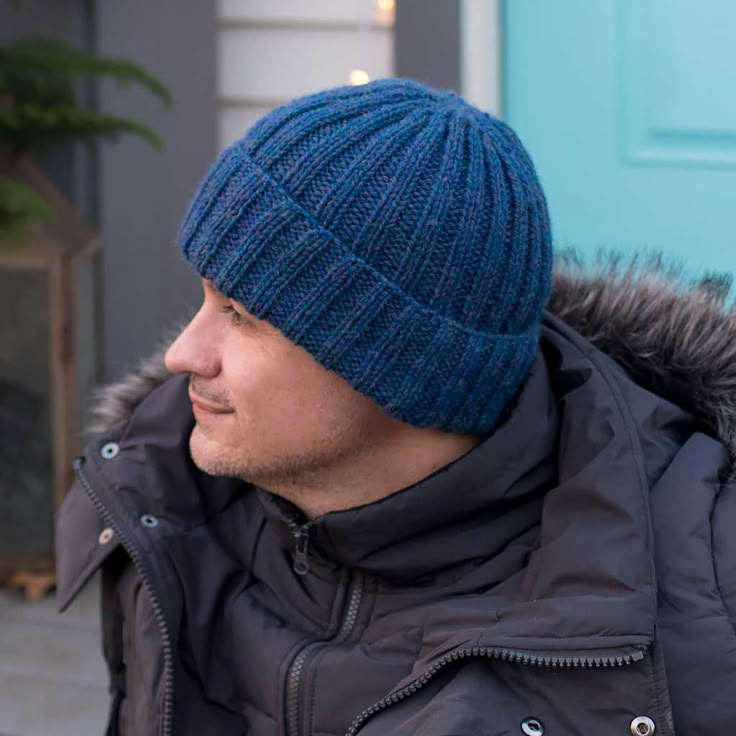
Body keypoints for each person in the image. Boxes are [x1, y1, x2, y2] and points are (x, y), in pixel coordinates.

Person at [55, 78, 736, 736]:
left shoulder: (706, 579)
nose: (182, 355)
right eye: (204, 298)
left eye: (239, 314)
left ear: (398, 365)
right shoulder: (160, 505)